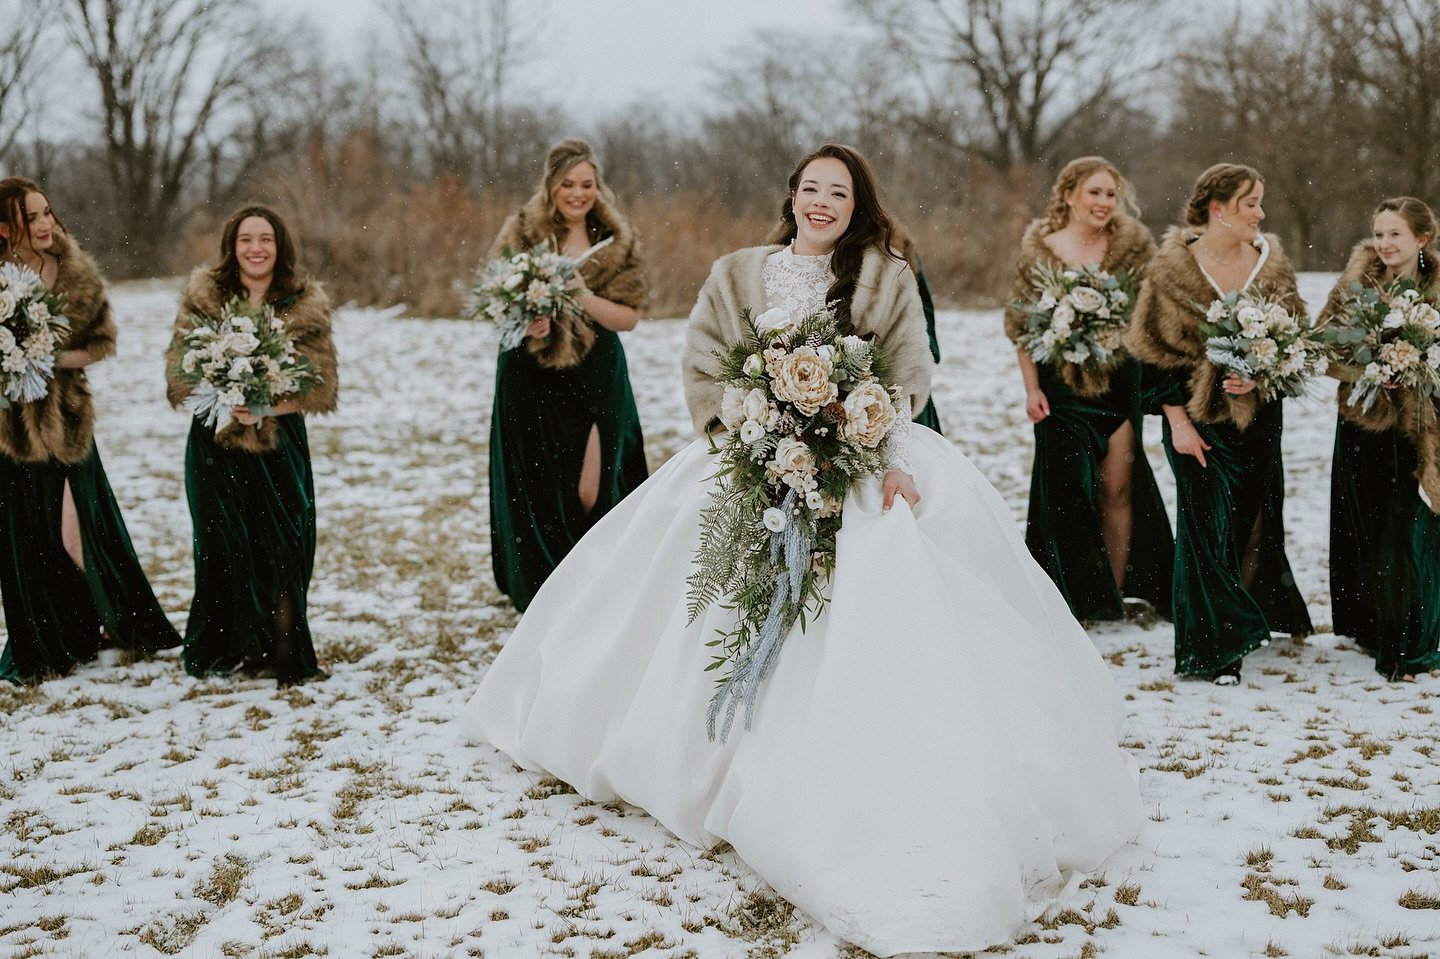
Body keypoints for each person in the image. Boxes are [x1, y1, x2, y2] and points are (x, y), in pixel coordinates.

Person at [464, 144, 1141, 956]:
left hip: (860, 454)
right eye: (811, 189)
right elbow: (706, 360)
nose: (823, 203)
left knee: (884, 585)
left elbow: (910, 373)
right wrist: (745, 431)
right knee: (699, 591)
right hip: (752, 454)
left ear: (859, 205)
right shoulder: (738, 269)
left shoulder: (885, 274)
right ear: (792, 196)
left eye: (840, 192)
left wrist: (876, 447)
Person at [1126, 163, 1313, 684]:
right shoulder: (1170, 271)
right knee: (1205, 527)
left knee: (1252, 518)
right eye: (1251, 202)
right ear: (1218, 208)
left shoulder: (1271, 267)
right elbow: (1151, 355)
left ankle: (1255, 613)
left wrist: (1263, 376)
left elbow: (1297, 342)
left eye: (1260, 202)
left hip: (1260, 422)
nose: (1260, 212)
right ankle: (1211, 650)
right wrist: (1179, 424)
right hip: (1194, 420)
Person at [0, 177, 180, 683]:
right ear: (5, 226)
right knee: (26, 539)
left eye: (46, 213)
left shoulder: (72, 271)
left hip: (67, 421)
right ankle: (51, 638)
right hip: (10, 431)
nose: (43, 224)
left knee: (76, 532)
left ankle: (107, 619)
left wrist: (42, 357)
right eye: (30, 217)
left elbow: (101, 343)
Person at [165, 204, 338, 687]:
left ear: (279, 247)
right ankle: (224, 647)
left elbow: (320, 385)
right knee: (221, 545)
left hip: (279, 445)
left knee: (282, 546)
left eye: (265, 239)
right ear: (231, 247)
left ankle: (281, 648)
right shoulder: (205, 298)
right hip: (215, 443)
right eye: (246, 240)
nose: (256, 248)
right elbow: (179, 374)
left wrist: (266, 406)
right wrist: (224, 391)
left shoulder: (304, 302)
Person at [1003, 157, 1173, 621]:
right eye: (1095, 192)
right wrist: (1031, 390)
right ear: (1069, 195)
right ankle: (1071, 595)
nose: (1103, 203)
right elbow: (1020, 327)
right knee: (1068, 496)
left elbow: (1156, 313)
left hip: (1120, 386)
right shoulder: (1040, 248)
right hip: (1059, 389)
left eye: (1111, 195)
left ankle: (1111, 596)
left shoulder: (1134, 247)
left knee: (1117, 490)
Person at [486, 138, 649, 612]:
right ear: (551, 186)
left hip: (596, 369)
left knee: (592, 485)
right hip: (531, 372)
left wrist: (581, 297)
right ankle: (548, 586)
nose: (578, 194)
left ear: (598, 187)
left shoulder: (617, 241)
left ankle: (596, 576)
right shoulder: (522, 232)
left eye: (587, 184)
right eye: (567, 184)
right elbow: (497, 307)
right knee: (539, 481)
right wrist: (528, 317)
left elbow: (630, 316)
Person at [1320, 197, 1440, 680]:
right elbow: (1323, 343)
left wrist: (1417, 368)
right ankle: (1375, 630)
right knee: (1368, 529)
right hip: (1363, 422)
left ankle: (1405, 643)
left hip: (1422, 428)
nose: (1384, 243)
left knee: (1408, 531)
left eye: (1396, 234)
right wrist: (1371, 366)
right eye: (1379, 233)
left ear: (1422, 240)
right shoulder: (1355, 282)